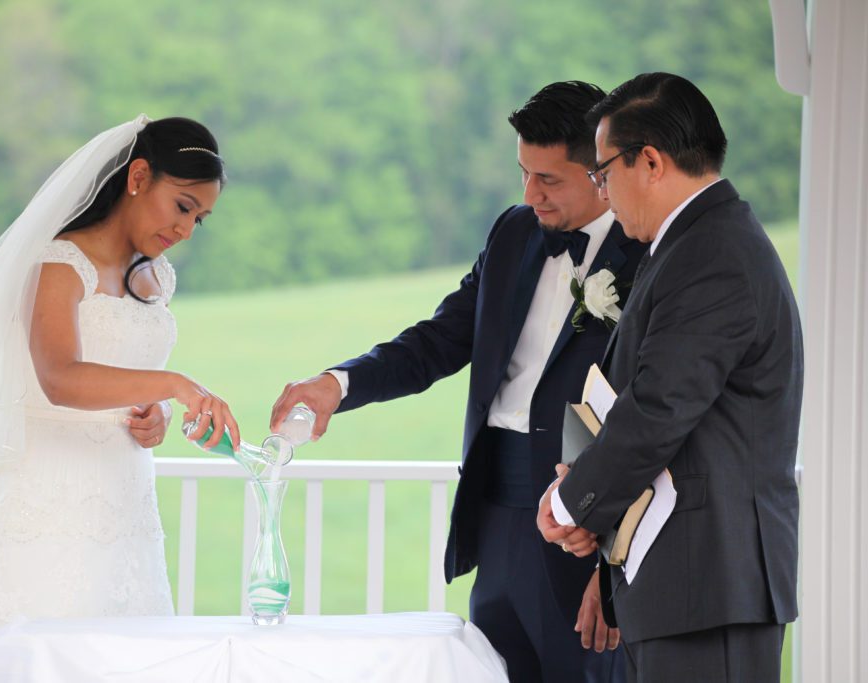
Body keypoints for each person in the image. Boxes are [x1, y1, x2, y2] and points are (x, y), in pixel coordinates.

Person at [269, 82, 646, 682]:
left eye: (548, 179)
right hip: (493, 507)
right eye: (523, 173)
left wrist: (612, 561)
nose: (530, 194)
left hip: (586, 521)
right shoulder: (513, 234)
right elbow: (440, 339)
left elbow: (656, 416)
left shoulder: (648, 253)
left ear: (600, 173)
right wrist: (337, 385)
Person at [0, 115, 240, 682]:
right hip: (49, 508)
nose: (187, 230)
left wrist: (152, 416)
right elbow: (58, 376)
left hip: (127, 511)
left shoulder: (155, 278)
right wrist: (175, 385)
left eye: (200, 218)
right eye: (182, 206)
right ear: (139, 176)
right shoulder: (59, 262)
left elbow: (125, 379)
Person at [537, 73, 803, 683]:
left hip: (711, 585)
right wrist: (590, 498)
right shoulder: (692, 243)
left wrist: (573, 500)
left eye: (603, 173)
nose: (602, 192)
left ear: (650, 161)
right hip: (686, 585)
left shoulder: (712, 253)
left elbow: (659, 408)